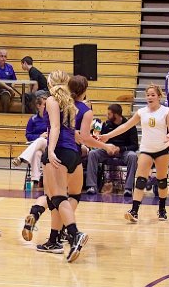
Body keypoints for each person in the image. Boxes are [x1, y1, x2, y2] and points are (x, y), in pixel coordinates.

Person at [37, 71, 116, 262]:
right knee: (62, 197)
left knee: (57, 197)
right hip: (74, 153)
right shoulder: (71, 104)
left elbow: (55, 128)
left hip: (60, 150)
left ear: (50, 82)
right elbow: (79, 135)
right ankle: (56, 240)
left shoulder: (52, 101)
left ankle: (74, 234)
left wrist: (51, 150)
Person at [100, 84, 169, 222]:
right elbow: (125, 126)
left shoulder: (166, 111)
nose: (150, 97)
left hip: (162, 150)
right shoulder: (141, 112)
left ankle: (162, 209)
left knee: (162, 181)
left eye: (153, 95)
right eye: (148, 95)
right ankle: (134, 211)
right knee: (140, 180)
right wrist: (107, 136)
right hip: (146, 149)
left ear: (159, 97)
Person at [84, 103, 139, 196]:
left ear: (116, 115)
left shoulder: (130, 126)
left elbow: (134, 146)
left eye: (109, 114)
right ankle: (91, 186)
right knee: (93, 153)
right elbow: (101, 141)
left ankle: (128, 188)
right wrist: (106, 147)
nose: (107, 115)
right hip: (108, 150)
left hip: (123, 152)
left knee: (132, 156)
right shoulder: (106, 124)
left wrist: (120, 149)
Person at [12, 95, 48, 188]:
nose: (47, 107)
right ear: (38, 106)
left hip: (49, 146)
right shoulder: (33, 119)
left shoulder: (51, 119)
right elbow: (28, 136)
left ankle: (21, 158)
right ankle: (35, 180)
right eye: (44, 104)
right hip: (37, 146)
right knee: (37, 153)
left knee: (41, 140)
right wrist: (39, 136)